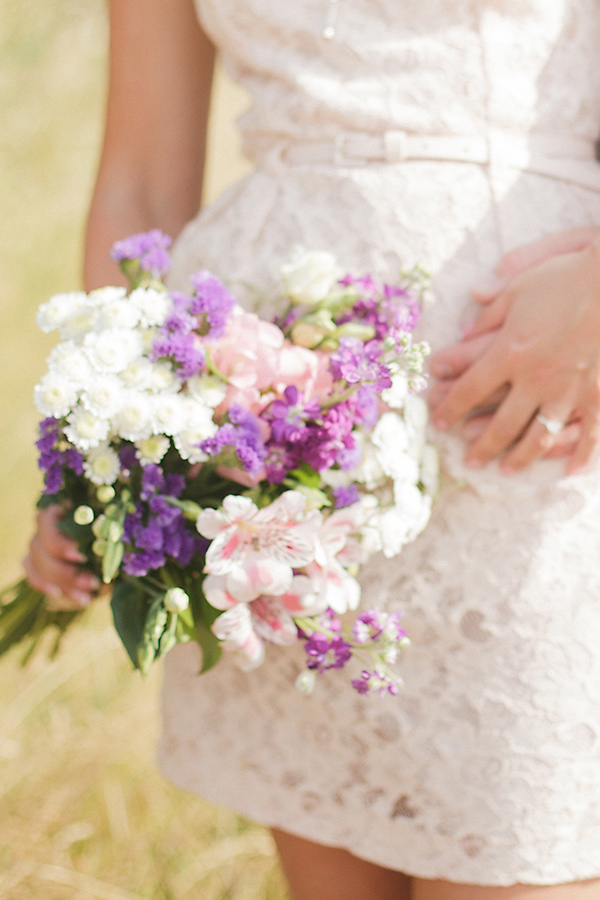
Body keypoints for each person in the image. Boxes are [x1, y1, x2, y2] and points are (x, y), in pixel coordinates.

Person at [23, 1, 600, 898]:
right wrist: (100, 452)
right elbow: (142, 180)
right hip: (263, 429)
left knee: (525, 847)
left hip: (528, 384)